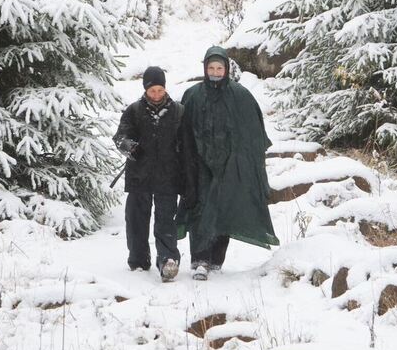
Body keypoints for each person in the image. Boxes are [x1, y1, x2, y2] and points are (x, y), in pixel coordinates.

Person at [177, 46, 279, 280]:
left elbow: (253, 133)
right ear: (204, 68)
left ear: (226, 69)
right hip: (199, 165)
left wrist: (243, 160)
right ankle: (200, 259)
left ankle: (216, 260)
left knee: (223, 210)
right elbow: (181, 132)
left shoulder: (240, 96)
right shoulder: (193, 95)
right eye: (210, 68)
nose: (214, 72)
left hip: (228, 165)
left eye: (219, 68)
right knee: (200, 210)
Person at [113, 66, 184, 282]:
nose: (156, 94)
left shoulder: (179, 111)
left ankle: (168, 260)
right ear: (145, 90)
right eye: (152, 90)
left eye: (160, 90)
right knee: (136, 220)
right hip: (139, 176)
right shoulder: (134, 110)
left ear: (165, 88)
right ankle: (138, 260)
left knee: (166, 220)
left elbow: (185, 142)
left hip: (168, 177)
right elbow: (119, 137)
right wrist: (130, 146)